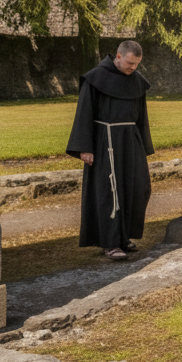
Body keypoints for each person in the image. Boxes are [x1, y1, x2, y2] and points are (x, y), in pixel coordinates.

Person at [66, 40, 154, 261]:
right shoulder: (96, 78)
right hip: (105, 141)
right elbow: (84, 112)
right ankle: (110, 242)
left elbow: (141, 116)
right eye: (130, 63)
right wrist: (84, 147)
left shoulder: (137, 81)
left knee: (137, 188)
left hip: (131, 141)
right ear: (118, 56)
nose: (133, 68)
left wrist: (143, 145)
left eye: (136, 64)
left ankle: (123, 237)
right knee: (109, 191)